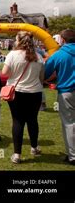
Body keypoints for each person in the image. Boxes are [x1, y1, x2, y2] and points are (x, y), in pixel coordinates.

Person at [2, 31, 45, 164]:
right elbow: (41, 77)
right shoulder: (39, 56)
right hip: (35, 92)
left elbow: (5, 73)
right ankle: (34, 147)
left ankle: (17, 154)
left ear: (18, 40)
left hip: (17, 92)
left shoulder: (12, 55)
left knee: (18, 121)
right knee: (33, 120)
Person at [44, 29, 75, 166]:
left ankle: (72, 155)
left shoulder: (59, 55)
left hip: (67, 92)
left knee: (69, 124)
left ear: (62, 39)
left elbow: (45, 72)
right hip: (67, 90)